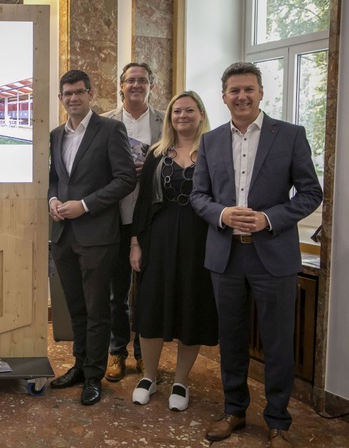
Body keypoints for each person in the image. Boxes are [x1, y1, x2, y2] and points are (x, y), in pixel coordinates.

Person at [191, 62, 322, 448]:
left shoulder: (291, 135)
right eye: (234, 90)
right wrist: (222, 214)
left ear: (261, 92)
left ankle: (278, 421)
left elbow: (311, 193)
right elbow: (198, 196)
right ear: (224, 96)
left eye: (249, 89)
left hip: (274, 257)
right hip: (226, 256)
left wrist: (268, 218)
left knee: (278, 342)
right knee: (231, 339)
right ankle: (233, 410)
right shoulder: (211, 140)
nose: (242, 96)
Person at [48, 70, 136, 406]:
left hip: (98, 235)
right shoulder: (56, 135)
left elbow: (125, 179)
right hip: (63, 235)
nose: (73, 98)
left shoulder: (111, 130)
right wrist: (53, 200)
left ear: (91, 94)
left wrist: (84, 205)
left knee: (98, 309)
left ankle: (94, 376)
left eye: (79, 92)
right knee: (76, 308)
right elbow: (54, 178)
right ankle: (80, 365)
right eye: (67, 94)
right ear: (61, 98)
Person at [129, 91, 217, 411]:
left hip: (200, 241)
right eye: (176, 111)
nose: (182, 116)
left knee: (191, 307)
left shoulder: (214, 153)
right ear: (169, 117)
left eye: (189, 110)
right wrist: (135, 243)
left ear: (201, 114)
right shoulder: (157, 153)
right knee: (151, 306)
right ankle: (148, 377)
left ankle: (181, 381)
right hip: (159, 239)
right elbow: (143, 204)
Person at [101, 62, 165, 381]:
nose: (136, 85)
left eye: (142, 80)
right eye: (130, 80)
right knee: (117, 293)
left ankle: (143, 354)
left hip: (153, 219)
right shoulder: (103, 122)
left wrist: (151, 169)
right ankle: (117, 352)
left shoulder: (166, 121)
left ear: (151, 85)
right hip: (116, 217)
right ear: (121, 86)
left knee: (148, 293)